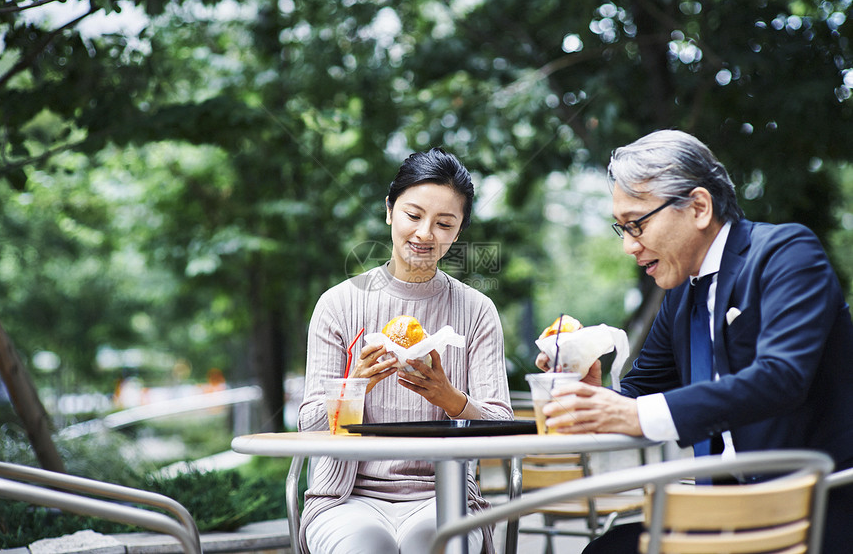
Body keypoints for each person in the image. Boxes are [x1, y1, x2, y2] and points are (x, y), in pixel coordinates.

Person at [537, 130, 853, 554]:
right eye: (622, 229)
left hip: (815, 510)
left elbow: (780, 378)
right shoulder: (681, 295)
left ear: (699, 207)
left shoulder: (786, 253)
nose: (629, 246)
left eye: (638, 224)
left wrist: (634, 412)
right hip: (724, 511)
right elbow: (638, 394)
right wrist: (593, 394)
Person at [298, 147, 512, 554]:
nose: (425, 234)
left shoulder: (477, 311)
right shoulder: (338, 305)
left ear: (458, 230)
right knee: (365, 544)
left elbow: (501, 428)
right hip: (344, 499)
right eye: (413, 215)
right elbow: (309, 428)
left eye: (444, 223)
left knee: (430, 543)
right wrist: (353, 387)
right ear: (389, 211)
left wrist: (452, 400)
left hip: (447, 499)